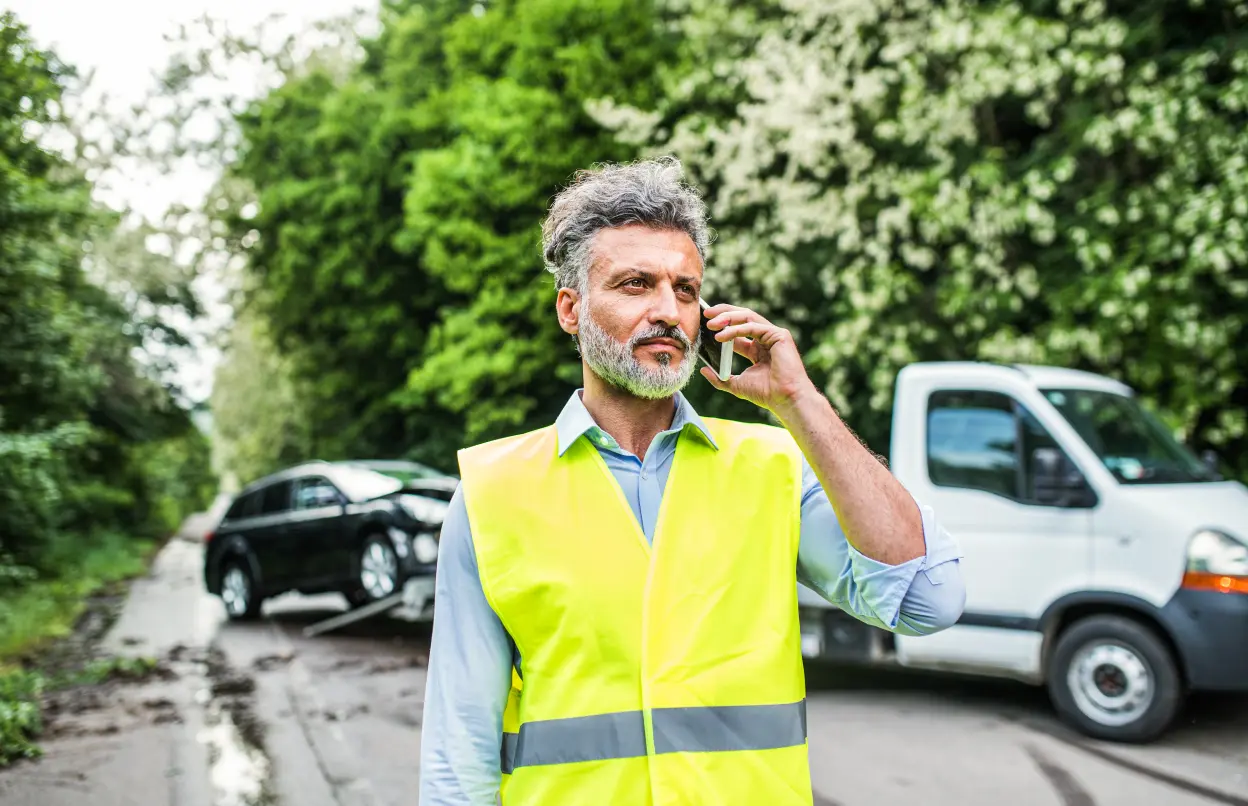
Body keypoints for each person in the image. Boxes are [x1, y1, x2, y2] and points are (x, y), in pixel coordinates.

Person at [418, 157, 965, 805]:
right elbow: (458, 751)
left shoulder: (774, 467)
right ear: (571, 309)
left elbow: (928, 600)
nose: (667, 311)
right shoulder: (492, 492)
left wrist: (800, 402)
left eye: (684, 290)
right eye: (635, 284)